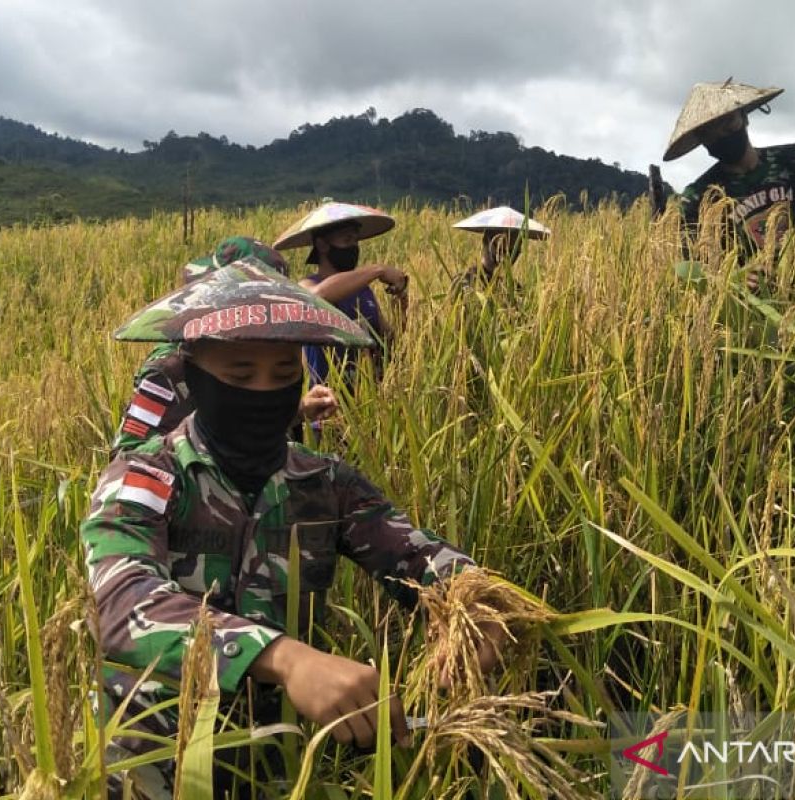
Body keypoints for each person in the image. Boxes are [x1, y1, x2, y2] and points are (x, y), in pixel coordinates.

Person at [86, 258, 504, 798]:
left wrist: (471, 600)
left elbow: (414, 553)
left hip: (278, 758)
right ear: (193, 377)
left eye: (283, 375)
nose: (263, 392)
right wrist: (285, 657)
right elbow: (120, 599)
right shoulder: (147, 476)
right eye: (240, 376)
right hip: (155, 757)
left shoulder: (325, 482)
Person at [112, 236, 337, 454]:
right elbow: (129, 453)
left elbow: (248, 421)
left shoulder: (272, 359)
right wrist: (211, 448)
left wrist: (298, 411)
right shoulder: (170, 368)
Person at [664, 80, 795, 289]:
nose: (722, 134)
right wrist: (734, 278)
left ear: (744, 118)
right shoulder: (699, 197)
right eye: (711, 131)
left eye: (728, 122)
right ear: (704, 142)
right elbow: (695, 269)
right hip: (750, 306)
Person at [273, 201, 408, 386]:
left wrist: (401, 302)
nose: (353, 247)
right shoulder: (307, 286)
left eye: (355, 241)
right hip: (328, 402)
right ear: (322, 245)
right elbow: (319, 296)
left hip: (370, 400)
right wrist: (378, 270)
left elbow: (389, 338)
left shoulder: (364, 291)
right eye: (346, 240)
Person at [451, 205, 551, 289]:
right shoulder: (465, 281)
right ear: (489, 241)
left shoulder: (512, 287)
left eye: (516, 245)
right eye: (504, 243)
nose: (510, 251)